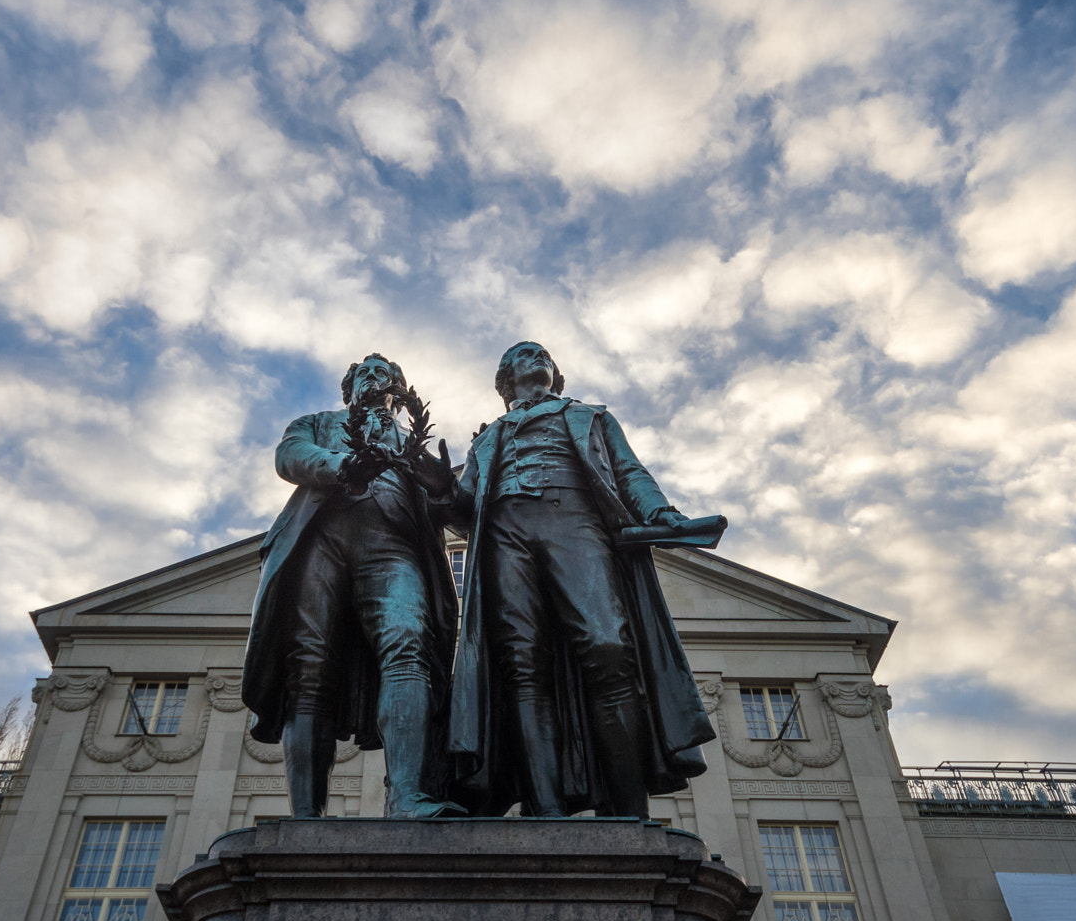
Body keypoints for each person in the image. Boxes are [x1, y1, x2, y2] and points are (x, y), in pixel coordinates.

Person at [446, 341, 720, 818]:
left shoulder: (591, 417)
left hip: (575, 519)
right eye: (523, 355)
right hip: (504, 534)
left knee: (608, 646)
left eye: (543, 355)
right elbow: (462, 507)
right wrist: (436, 485)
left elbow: (629, 472)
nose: (536, 358)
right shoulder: (485, 439)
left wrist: (662, 514)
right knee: (521, 661)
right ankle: (546, 809)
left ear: (556, 373)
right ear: (505, 379)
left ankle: (627, 813)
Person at [242, 354, 463, 818]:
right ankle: (306, 816)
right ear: (348, 389)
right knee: (309, 667)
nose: (372, 378)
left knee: (408, 645)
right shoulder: (319, 423)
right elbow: (290, 456)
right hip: (321, 538)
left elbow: (458, 512)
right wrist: (342, 465)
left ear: (399, 390)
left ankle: (406, 797)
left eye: (381, 372)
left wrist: (444, 487)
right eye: (362, 373)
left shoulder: (412, 443)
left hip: (394, 545)